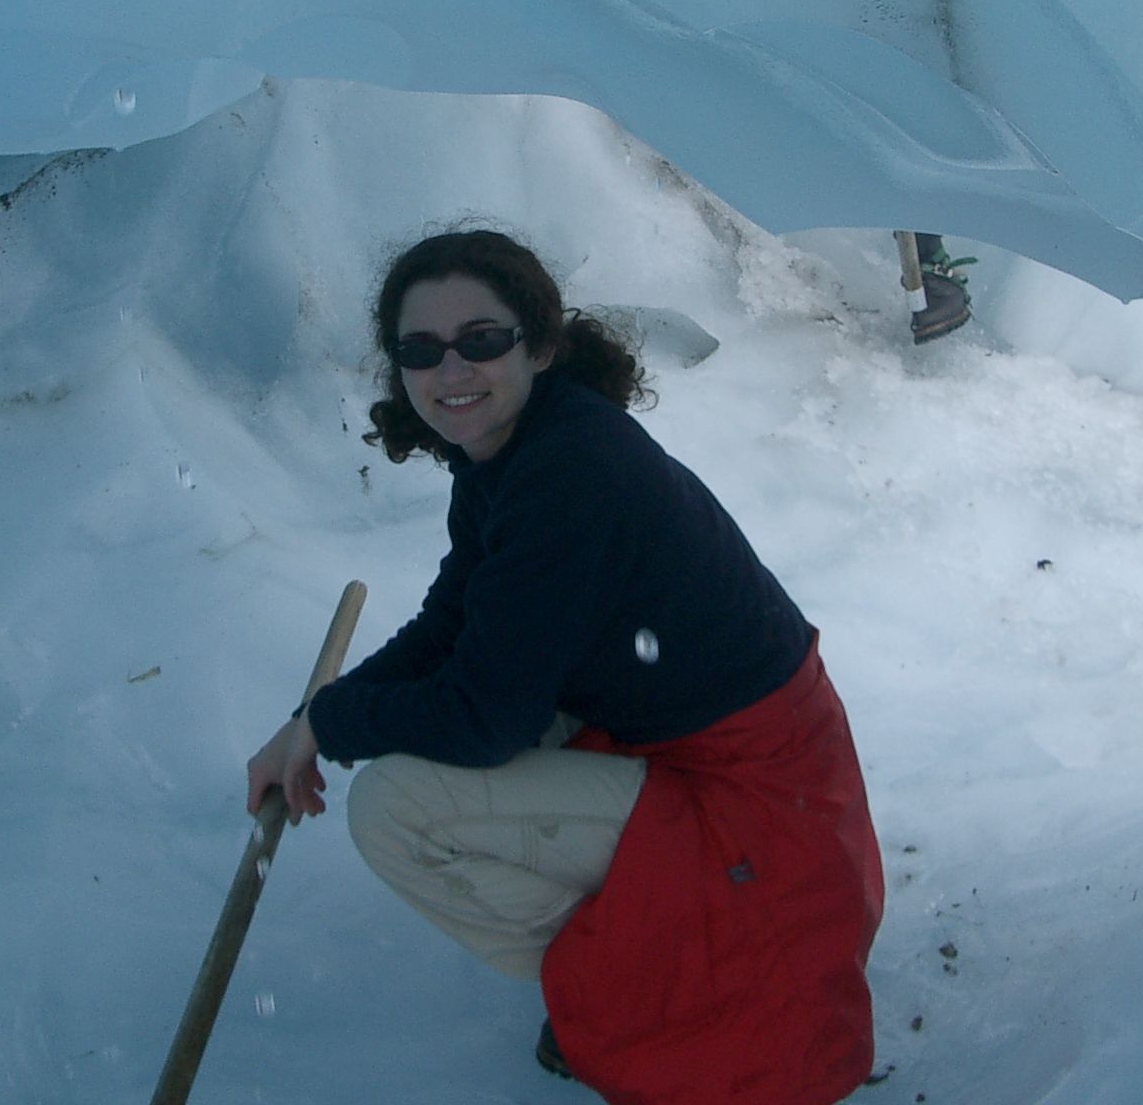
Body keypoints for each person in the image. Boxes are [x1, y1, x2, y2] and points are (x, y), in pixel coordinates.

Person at [246, 229, 885, 1105]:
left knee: (396, 808)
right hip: (692, 744)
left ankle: (643, 978)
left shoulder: (570, 472)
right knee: (443, 731)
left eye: (481, 339)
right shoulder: (519, 448)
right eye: (421, 349)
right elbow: (455, 622)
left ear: (539, 345)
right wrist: (313, 722)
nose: (451, 368)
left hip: (758, 802)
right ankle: (630, 954)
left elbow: (485, 719)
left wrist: (332, 722)